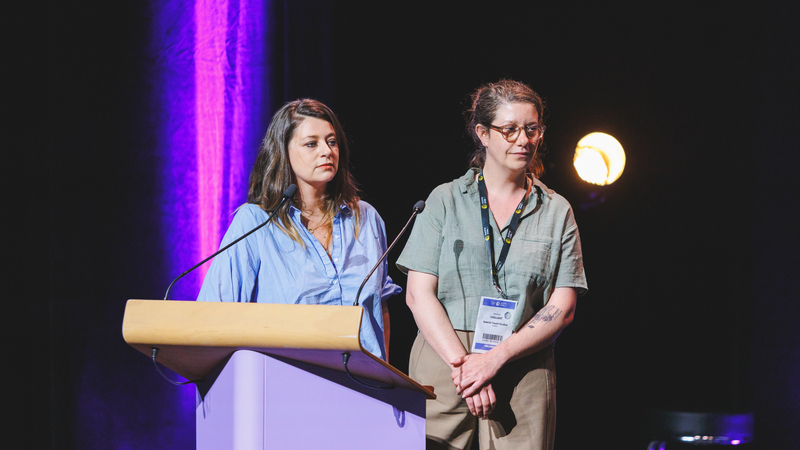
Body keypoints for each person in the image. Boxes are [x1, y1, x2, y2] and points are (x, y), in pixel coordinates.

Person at [396, 80, 588, 449]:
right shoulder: (445, 200)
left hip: (522, 362)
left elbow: (562, 307)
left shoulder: (556, 210)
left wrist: (494, 359)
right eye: (510, 129)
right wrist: (465, 366)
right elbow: (419, 295)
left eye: (532, 129)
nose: (524, 140)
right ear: (482, 133)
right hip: (445, 359)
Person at [197, 98, 400, 361]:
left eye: (332, 141)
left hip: (364, 388)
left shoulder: (366, 218)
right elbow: (214, 312)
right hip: (285, 384)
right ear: (284, 152)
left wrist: (382, 378)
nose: (327, 151)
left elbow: (379, 309)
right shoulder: (255, 222)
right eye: (311, 144)